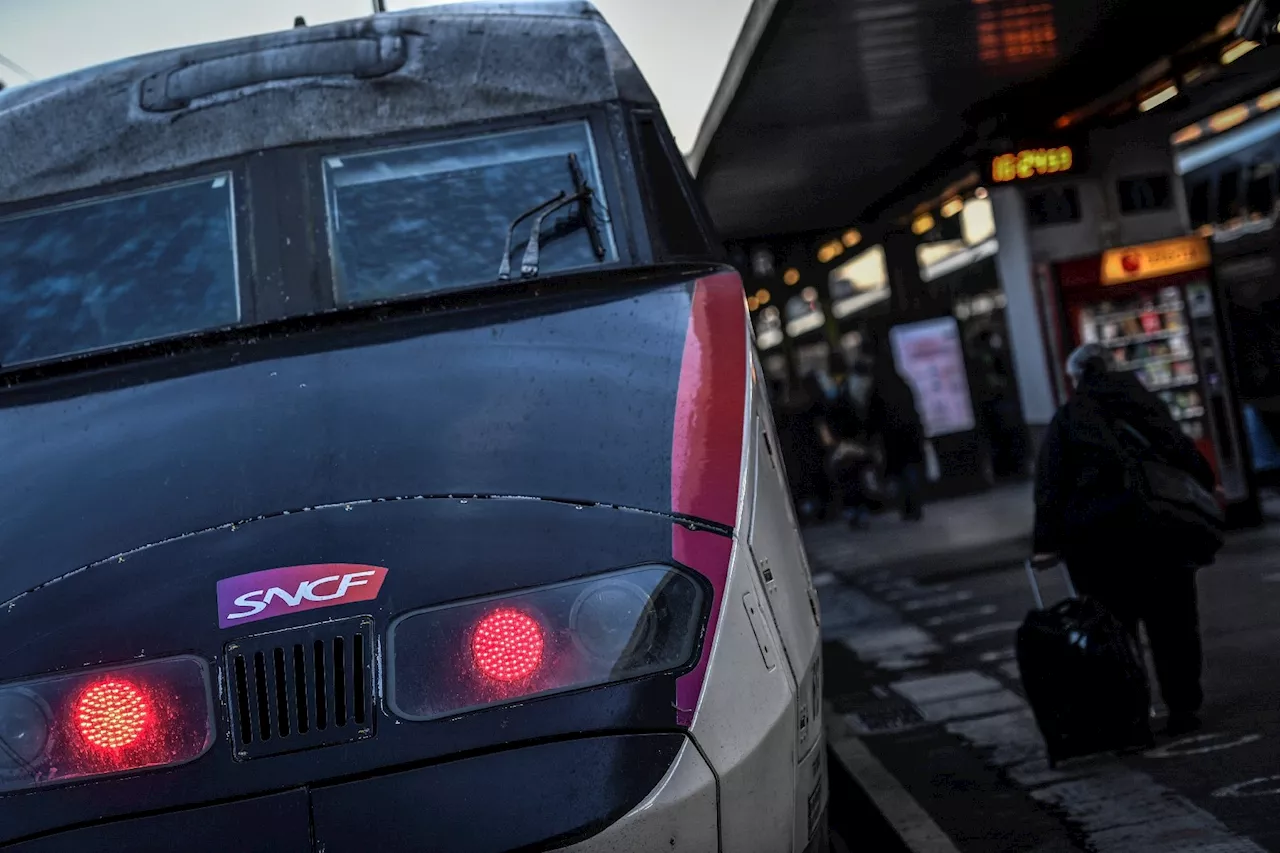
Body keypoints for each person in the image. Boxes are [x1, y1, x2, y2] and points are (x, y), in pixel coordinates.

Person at [1032, 343, 1217, 736]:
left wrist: (1044, 542)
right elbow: (1186, 456)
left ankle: (1132, 715)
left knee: (1116, 632)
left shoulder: (1068, 419)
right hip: (1161, 533)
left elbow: (1049, 486)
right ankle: (1183, 708)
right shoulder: (1144, 404)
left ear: (1077, 377)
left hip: (1098, 544)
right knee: (1175, 626)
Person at [866, 357, 926, 521]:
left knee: (898, 474)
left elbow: (872, 417)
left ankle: (906, 506)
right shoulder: (902, 384)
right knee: (911, 470)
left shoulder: (877, 389)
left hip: (891, 438)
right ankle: (915, 505)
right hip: (910, 434)